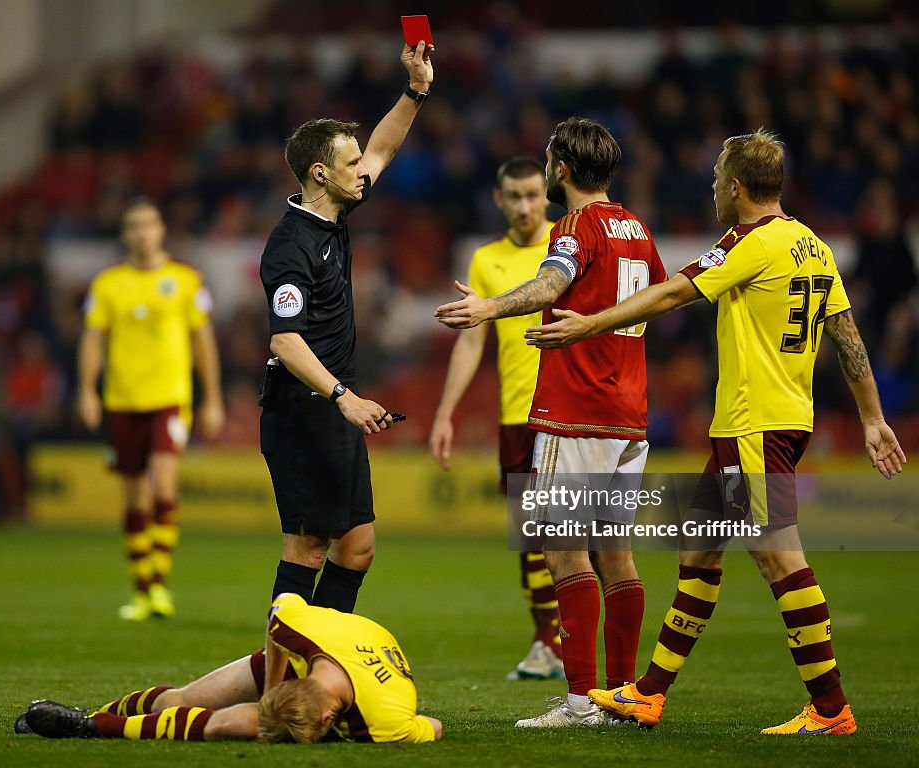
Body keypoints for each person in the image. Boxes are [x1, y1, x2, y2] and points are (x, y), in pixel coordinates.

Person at [524, 130, 907, 735]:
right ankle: (647, 694)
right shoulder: (812, 245)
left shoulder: (749, 244)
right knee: (698, 553)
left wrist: (588, 324)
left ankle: (831, 709)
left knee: (779, 560)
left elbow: (674, 292)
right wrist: (871, 416)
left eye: (715, 180)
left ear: (734, 186)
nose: (710, 190)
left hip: (756, 424)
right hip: (778, 419)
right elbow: (848, 334)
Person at [435, 118, 668, 727]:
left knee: (565, 554)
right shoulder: (637, 228)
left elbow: (551, 281)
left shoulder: (574, 226)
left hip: (577, 411)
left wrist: (488, 307)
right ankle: (622, 696)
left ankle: (581, 699)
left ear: (559, 170)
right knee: (616, 554)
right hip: (629, 412)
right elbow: (657, 297)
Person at [258, 41, 434, 613]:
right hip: (305, 406)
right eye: (351, 162)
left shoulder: (336, 210)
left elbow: (383, 146)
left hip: (333, 404)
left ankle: (322, 664)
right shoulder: (291, 246)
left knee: (357, 547)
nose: (365, 169)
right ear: (320, 173)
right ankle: (285, 687)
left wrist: (415, 90)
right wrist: (342, 396)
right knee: (308, 546)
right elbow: (284, 340)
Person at [429, 157, 564, 681]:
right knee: (531, 535)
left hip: (569, 412)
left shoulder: (569, 244)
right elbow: (471, 341)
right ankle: (546, 642)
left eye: (533, 194)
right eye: (515, 196)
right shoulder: (486, 259)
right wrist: (445, 412)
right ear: (499, 199)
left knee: (580, 536)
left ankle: (571, 643)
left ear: (547, 195)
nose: (525, 205)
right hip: (516, 415)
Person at [16, 592, 442, 744]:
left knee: (226, 726)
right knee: (179, 700)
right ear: (329, 719)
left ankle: (92, 726)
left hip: (342, 659)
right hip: (322, 654)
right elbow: (282, 605)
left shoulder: (386, 720)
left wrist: (267, 710)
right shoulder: (301, 629)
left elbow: (430, 724)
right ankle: (92, 713)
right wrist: (272, 688)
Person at [78, 199, 224, 620]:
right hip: (122, 400)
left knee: (163, 486)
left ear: (161, 230)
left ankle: (158, 584)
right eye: (133, 226)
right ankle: (143, 588)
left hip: (169, 400)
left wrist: (212, 398)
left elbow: (204, 342)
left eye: (148, 224)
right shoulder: (108, 284)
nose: (141, 232)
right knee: (134, 496)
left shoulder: (184, 280)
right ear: (125, 234)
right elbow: (92, 340)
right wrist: (87, 391)